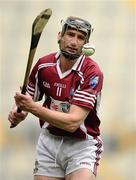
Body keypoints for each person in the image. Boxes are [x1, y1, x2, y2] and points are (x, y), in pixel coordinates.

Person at [8, 16, 104, 180]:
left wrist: (32, 108)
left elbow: (73, 122)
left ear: (86, 44)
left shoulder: (91, 72)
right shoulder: (43, 66)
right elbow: (27, 100)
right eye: (70, 34)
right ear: (60, 36)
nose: (74, 42)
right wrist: (19, 113)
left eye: (80, 37)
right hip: (49, 143)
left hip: (81, 146)